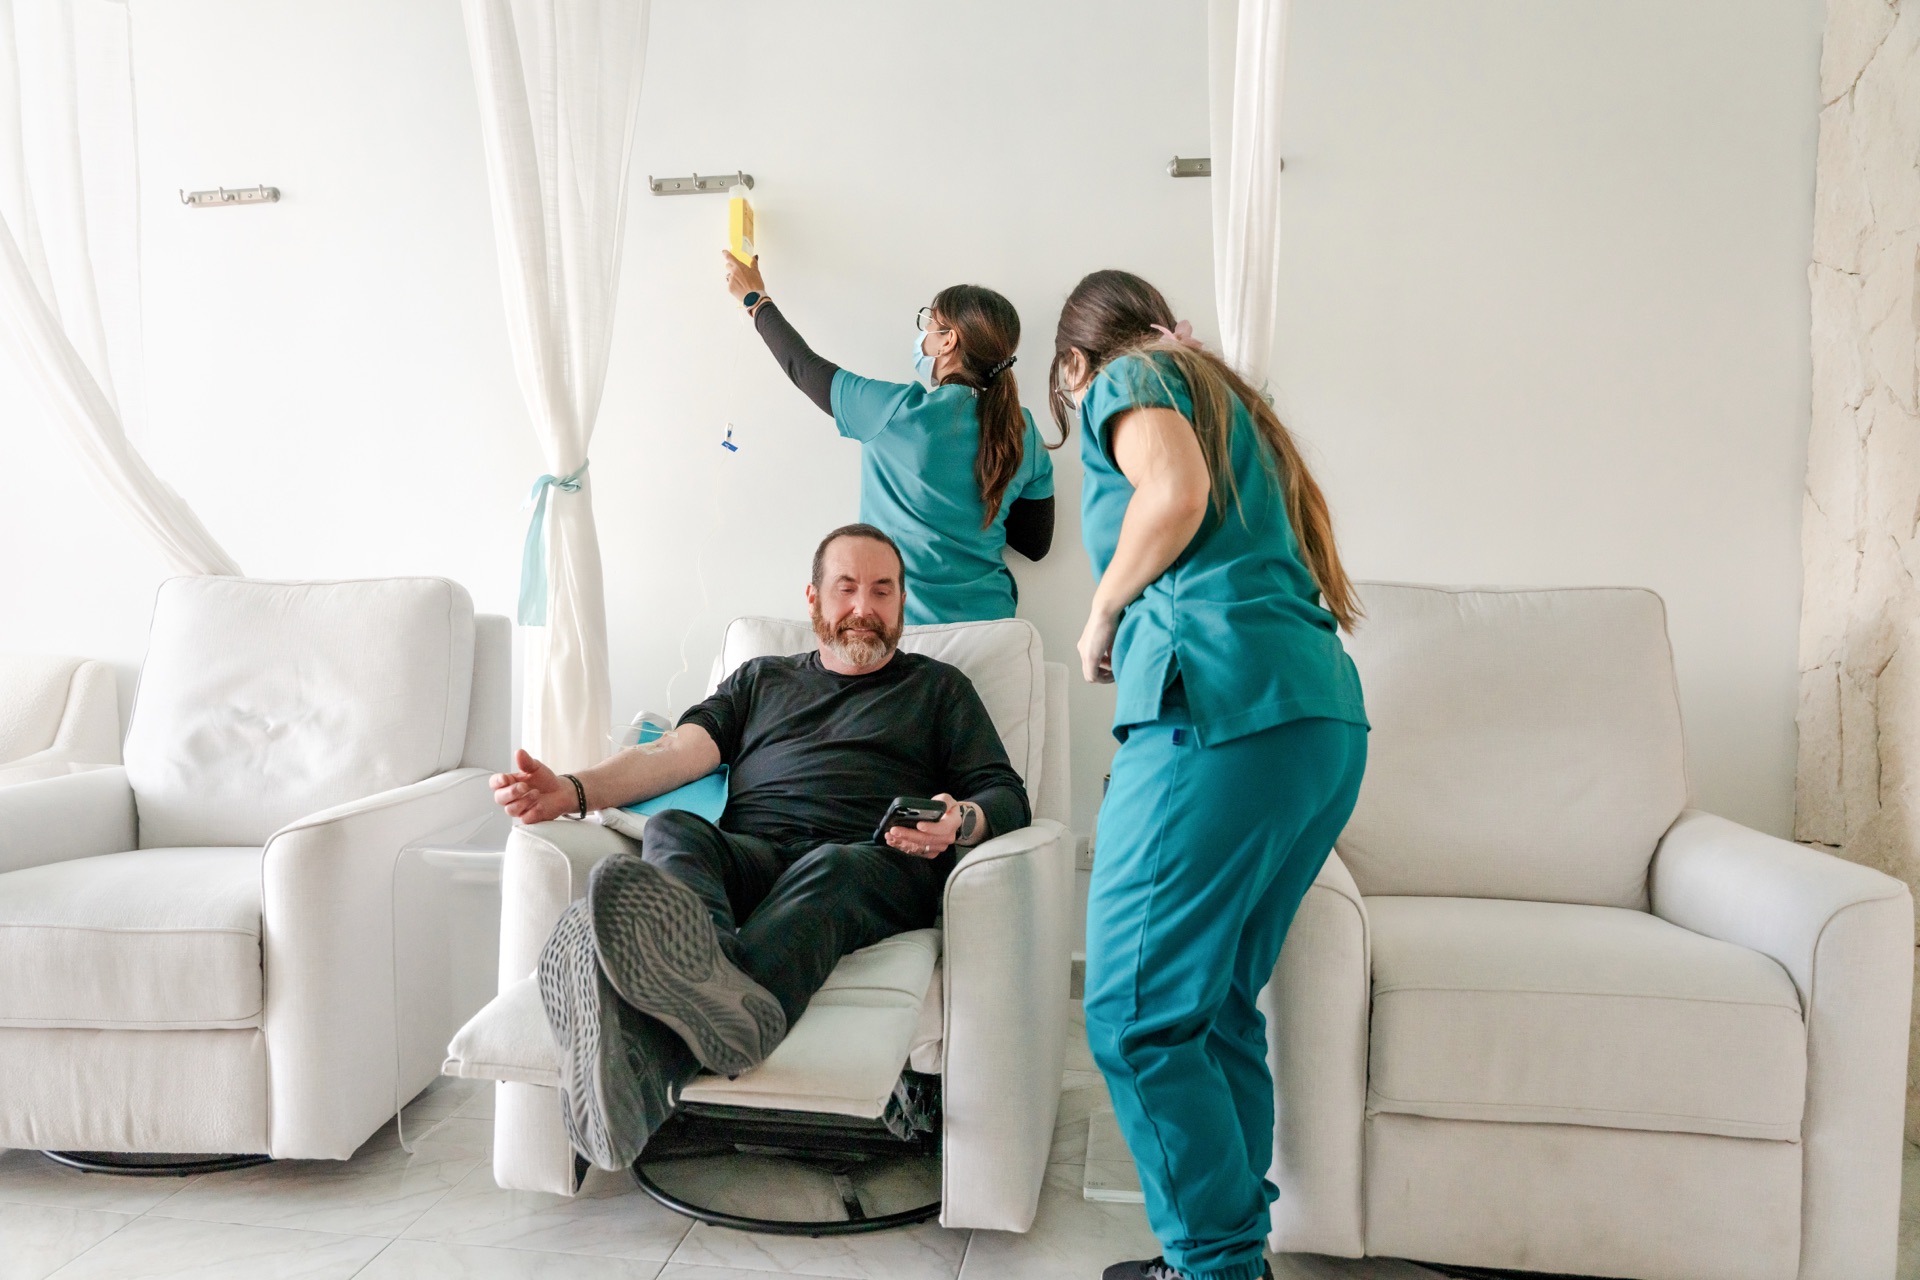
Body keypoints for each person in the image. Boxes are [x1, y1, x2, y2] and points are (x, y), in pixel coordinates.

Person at [490, 523, 1030, 1170]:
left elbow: (1006, 796)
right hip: (758, 854)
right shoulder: (760, 680)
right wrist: (572, 791)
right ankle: (712, 986)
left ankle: (663, 1047)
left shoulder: (939, 689)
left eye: (882, 591)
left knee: (832, 865)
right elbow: (675, 754)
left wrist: (959, 820)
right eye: (846, 588)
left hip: (871, 861)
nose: (864, 607)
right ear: (813, 599)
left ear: (901, 602)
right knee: (673, 830)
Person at [1051, 271, 1370, 1280]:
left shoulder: (1131, 376)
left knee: (1133, 1015)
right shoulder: (1232, 401)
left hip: (1221, 713)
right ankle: (1233, 1256)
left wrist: (1101, 610)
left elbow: (1173, 494)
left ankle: (1215, 1267)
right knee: (1214, 1003)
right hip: (1315, 719)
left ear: (1074, 363)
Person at [721, 251, 1056, 624]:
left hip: (907, 636)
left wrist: (756, 300)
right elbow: (1035, 545)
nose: (923, 333)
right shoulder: (1023, 429)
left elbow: (803, 367)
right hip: (994, 628)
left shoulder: (896, 412)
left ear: (948, 341)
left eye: (930, 323)